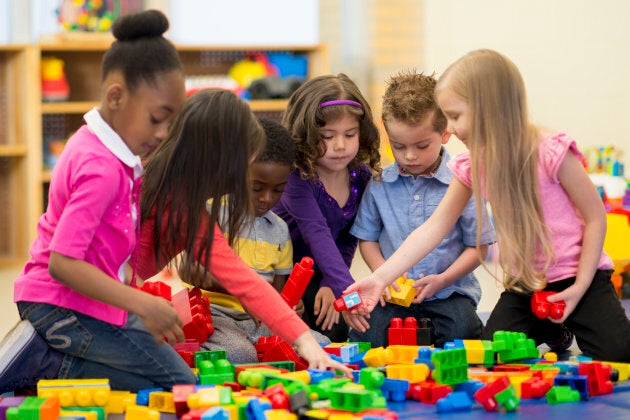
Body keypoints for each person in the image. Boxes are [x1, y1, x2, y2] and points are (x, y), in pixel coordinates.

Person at [344, 49, 630, 362]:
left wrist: (582, 285)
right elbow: (433, 228)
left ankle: (562, 323)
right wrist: (380, 278)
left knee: (619, 353)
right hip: (527, 286)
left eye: (455, 116)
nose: (449, 129)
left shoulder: (552, 151)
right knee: (491, 355)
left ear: (488, 108)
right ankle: (552, 328)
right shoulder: (471, 166)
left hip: (580, 277)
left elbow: (595, 218)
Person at [0, 9, 191, 395]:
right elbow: (62, 263)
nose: (163, 132)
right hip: (62, 306)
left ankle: (52, 361)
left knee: (150, 387)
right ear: (116, 96)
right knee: (182, 385)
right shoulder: (101, 167)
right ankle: (45, 364)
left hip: (76, 302)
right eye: (157, 118)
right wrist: (141, 303)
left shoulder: (103, 147)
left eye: (172, 121)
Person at [138, 89, 351, 374]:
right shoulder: (148, 190)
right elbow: (110, 271)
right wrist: (140, 305)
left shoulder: (192, 209)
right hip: (89, 310)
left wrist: (305, 342)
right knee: (177, 374)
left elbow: (243, 279)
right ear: (214, 158)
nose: (237, 179)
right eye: (239, 168)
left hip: (120, 305)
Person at [347, 70, 495, 348]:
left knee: (463, 331)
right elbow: (367, 238)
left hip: (448, 292)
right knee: (368, 334)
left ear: (446, 132)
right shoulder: (379, 184)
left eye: (422, 145)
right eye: (398, 146)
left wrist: (443, 279)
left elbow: (479, 247)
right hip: (391, 294)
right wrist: (384, 275)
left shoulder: (461, 181)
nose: (410, 155)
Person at [178, 117, 331, 363]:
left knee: (322, 344)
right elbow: (188, 270)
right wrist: (245, 291)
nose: (266, 198)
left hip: (259, 321)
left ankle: (257, 354)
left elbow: (278, 291)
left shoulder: (279, 229)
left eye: (277, 189)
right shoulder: (213, 212)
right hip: (215, 314)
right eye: (256, 187)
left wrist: (292, 304)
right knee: (239, 354)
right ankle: (190, 350)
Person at [272, 74, 382, 342]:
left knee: (336, 328)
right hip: (280, 275)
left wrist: (330, 284)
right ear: (306, 136)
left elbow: (347, 238)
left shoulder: (360, 176)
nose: (340, 146)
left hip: (323, 271)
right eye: (327, 136)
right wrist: (348, 294)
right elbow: (317, 233)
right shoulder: (297, 178)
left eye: (350, 134)